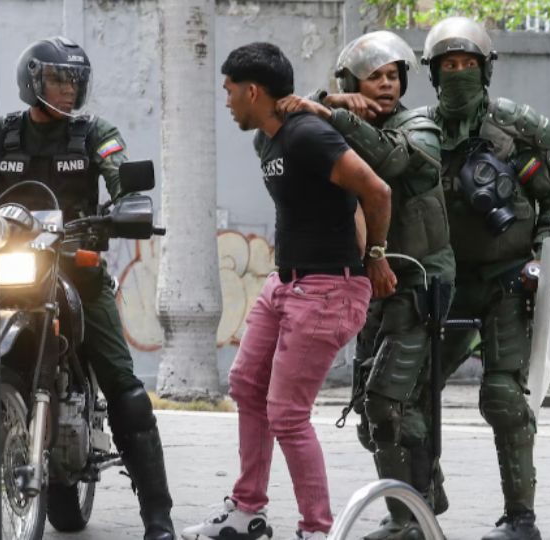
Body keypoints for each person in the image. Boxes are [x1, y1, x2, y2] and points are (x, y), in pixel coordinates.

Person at [0, 36, 175, 540]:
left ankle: (158, 516)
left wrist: (127, 206)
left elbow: (120, 176)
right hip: (9, 272)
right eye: (58, 79)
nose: (67, 89)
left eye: (74, 81)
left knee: (125, 388)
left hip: (77, 271)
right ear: (32, 81)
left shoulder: (93, 134)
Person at [181, 42, 393, 540]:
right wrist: (331, 100)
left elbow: (377, 191)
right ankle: (247, 510)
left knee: (287, 415)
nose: (227, 101)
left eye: (230, 91)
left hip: (326, 290)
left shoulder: (306, 136)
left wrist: (377, 257)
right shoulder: (270, 138)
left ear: (253, 91)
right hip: (286, 283)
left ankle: (316, 531)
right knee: (246, 386)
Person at [276, 30, 454, 540]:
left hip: (420, 283)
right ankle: (421, 500)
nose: (387, 85)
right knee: (373, 411)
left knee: (389, 401)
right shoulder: (339, 121)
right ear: (353, 81)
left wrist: (337, 113)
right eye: (374, 76)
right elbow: (288, 124)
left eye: (394, 75)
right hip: (372, 282)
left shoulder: (419, 125)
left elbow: (396, 160)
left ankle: (409, 519)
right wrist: (328, 101)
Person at [422, 17, 550, 540]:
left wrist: (541, 261)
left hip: (508, 279)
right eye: (448, 65)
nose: (457, 73)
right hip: (444, 282)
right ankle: (416, 503)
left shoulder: (517, 131)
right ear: (434, 74)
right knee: (409, 395)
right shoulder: (420, 133)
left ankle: (521, 519)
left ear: (485, 70)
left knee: (504, 397)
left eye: (467, 64)